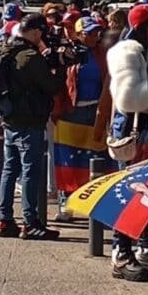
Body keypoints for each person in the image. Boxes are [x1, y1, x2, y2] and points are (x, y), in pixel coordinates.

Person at [0, 13, 67, 240]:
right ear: (35, 32)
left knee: (9, 170)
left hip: (10, 119)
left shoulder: (6, 49)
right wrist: (60, 67)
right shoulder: (29, 57)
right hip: (29, 122)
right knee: (30, 171)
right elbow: (52, 86)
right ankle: (30, 222)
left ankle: (5, 219)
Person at [105, 4, 148, 281]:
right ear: (140, 26)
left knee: (147, 193)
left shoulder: (146, 50)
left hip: (147, 131)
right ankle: (121, 252)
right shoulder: (126, 52)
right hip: (132, 132)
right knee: (128, 193)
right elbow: (130, 97)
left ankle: (141, 247)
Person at [53, 15, 114, 222]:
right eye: (89, 33)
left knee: (94, 159)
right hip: (71, 113)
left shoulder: (102, 54)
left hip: (95, 113)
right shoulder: (67, 54)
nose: (95, 36)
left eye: (97, 32)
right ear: (78, 34)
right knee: (68, 159)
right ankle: (66, 202)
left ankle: (93, 203)